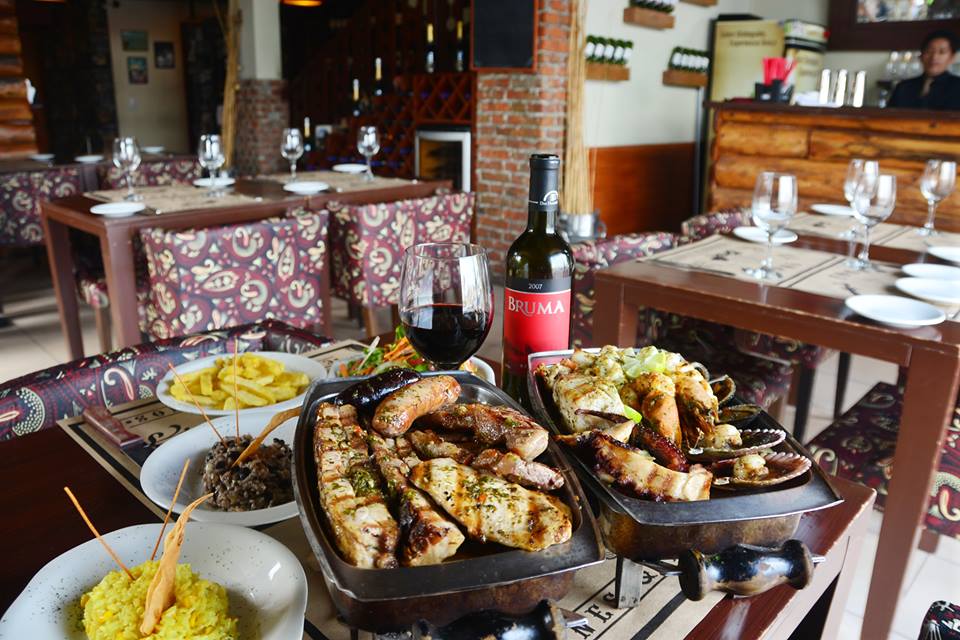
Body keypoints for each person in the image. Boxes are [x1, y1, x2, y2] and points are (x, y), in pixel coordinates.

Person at [888, 29, 960, 109]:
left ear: (952, 57)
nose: (934, 57)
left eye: (942, 52)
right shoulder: (903, 87)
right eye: (929, 51)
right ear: (921, 56)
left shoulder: (957, 87)